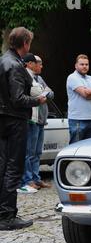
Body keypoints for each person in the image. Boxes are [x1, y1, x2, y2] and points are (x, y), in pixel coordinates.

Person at [0, 27, 47, 230]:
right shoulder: (16, 65)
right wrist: (39, 99)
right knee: (14, 167)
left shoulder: (3, 60)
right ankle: (7, 215)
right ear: (25, 43)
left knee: (3, 166)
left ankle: (3, 212)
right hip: (14, 120)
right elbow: (18, 99)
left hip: (3, 119)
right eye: (30, 42)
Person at [17, 54, 54, 194]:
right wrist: (43, 93)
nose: (42, 66)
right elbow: (36, 95)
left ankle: (36, 177)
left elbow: (50, 93)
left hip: (41, 120)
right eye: (40, 63)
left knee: (37, 152)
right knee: (29, 152)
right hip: (32, 119)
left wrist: (44, 93)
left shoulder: (39, 78)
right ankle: (28, 180)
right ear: (32, 64)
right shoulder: (27, 76)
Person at [66, 54, 91, 144]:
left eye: (86, 64)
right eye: (82, 64)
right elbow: (85, 95)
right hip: (78, 120)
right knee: (76, 149)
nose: (84, 66)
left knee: (90, 149)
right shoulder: (72, 77)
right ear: (76, 65)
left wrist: (90, 91)